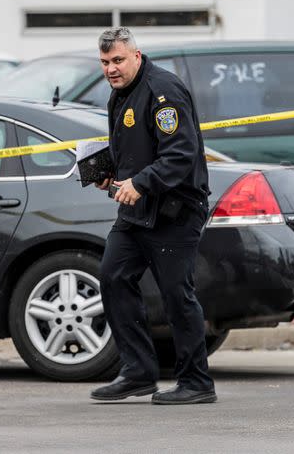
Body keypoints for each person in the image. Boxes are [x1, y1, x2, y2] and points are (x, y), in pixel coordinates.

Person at [89, 27, 216, 404]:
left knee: (177, 295)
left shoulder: (164, 91)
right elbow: (134, 145)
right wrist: (110, 171)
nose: (111, 69)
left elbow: (180, 153)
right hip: (137, 210)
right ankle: (138, 372)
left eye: (117, 61)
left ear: (137, 56)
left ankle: (196, 382)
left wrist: (142, 182)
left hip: (176, 209)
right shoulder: (120, 95)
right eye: (104, 63)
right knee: (112, 278)